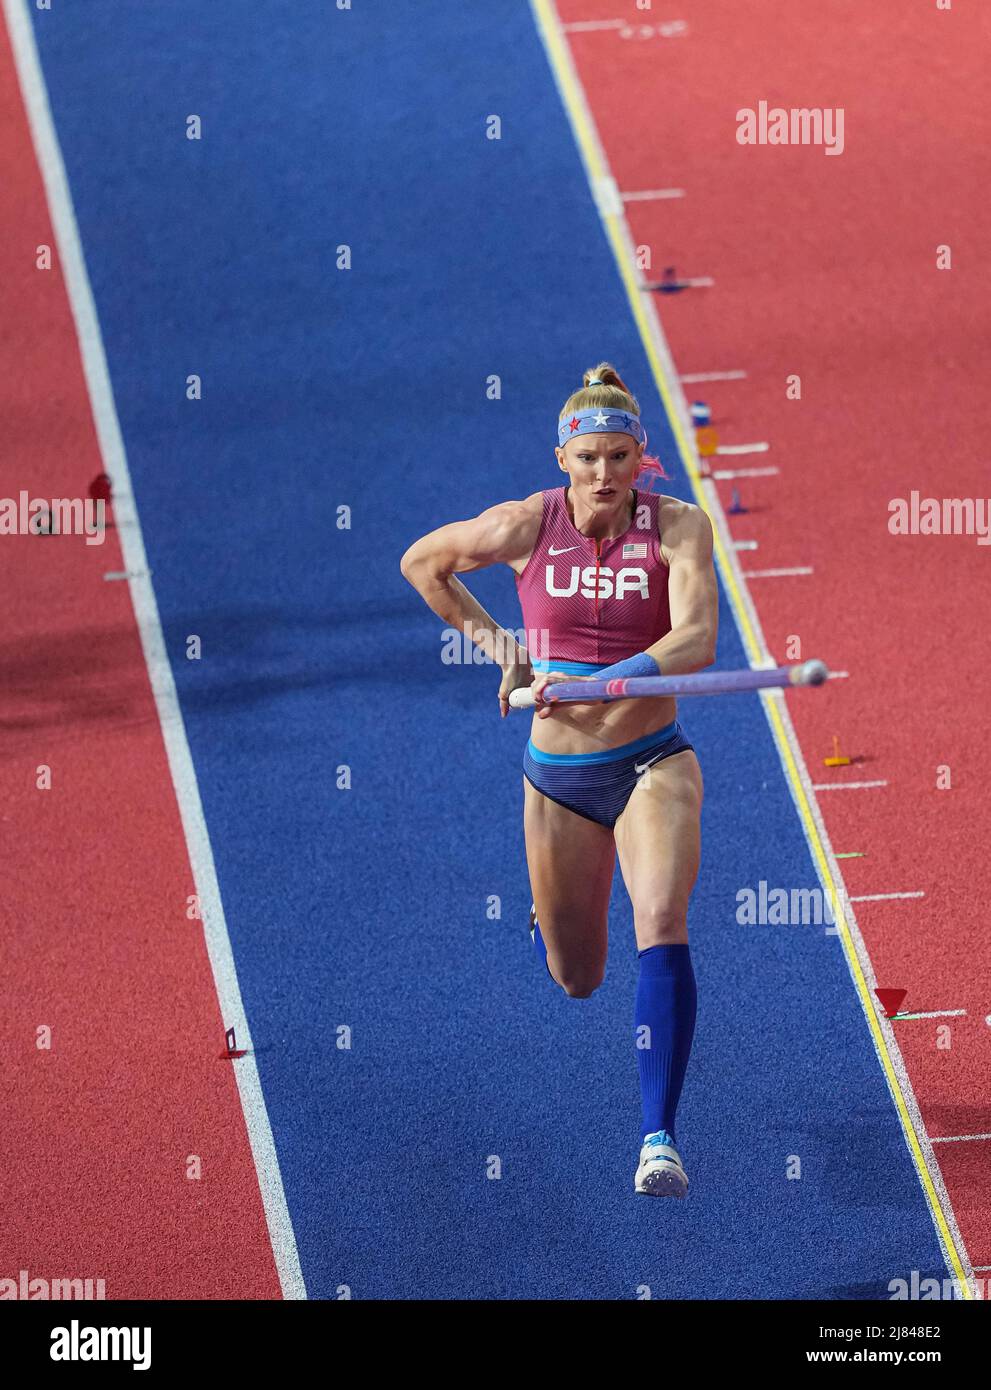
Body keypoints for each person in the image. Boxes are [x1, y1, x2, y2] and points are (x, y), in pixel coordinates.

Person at [400, 363, 718, 1196]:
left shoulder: (678, 526)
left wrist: (621, 676)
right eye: (589, 460)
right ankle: (553, 922)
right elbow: (422, 565)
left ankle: (658, 1137)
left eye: (619, 458)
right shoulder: (523, 525)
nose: (604, 475)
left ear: (640, 457)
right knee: (577, 976)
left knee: (660, 916)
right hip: (559, 779)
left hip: (652, 759)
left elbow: (696, 640)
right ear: (562, 461)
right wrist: (504, 653)